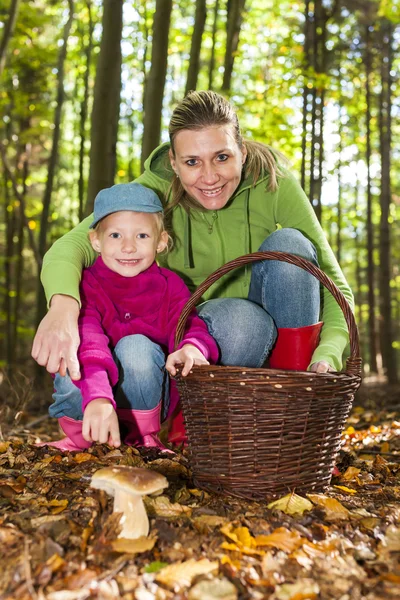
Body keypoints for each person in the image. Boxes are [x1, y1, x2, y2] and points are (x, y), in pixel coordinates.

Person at [32, 90, 354, 445]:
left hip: (259, 339)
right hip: (184, 335)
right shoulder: (151, 194)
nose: (210, 177)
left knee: (290, 247)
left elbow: (333, 282)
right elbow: (71, 246)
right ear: (173, 161)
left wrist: (328, 352)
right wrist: (63, 306)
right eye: (192, 162)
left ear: (241, 152)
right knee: (238, 320)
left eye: (221, 157)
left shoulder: (273, 182)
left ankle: (293, 417)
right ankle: (193, 416)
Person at [38, 182, 218, 451]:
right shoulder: (87, 285)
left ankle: (142, 436)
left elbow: (190, 324)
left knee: (135, 346)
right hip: (89, 402)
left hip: (145, 401)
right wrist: (98, 398)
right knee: (70, 347)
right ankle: (79, 435)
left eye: (142, 236)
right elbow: (89, 343)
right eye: (115, 236)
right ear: (95, 241)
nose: (129, 247)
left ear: (161, 242)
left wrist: (192, 346)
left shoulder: (170, 285)